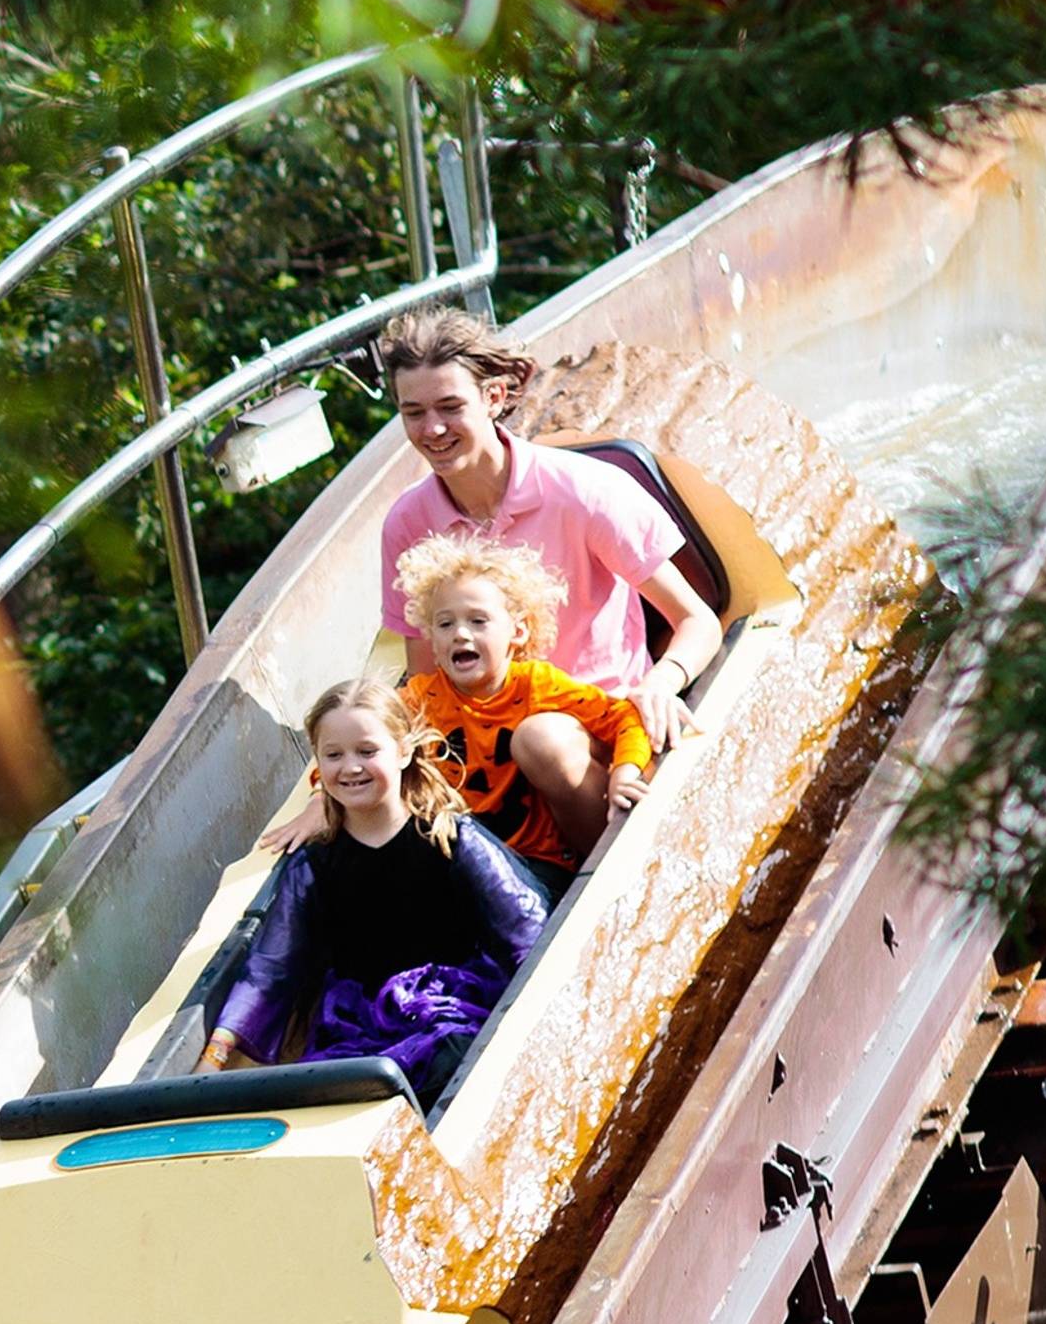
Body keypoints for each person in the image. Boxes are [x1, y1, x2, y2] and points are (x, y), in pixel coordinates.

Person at [372, 308, 722, 747]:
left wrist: (660, 683)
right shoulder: (407, 523)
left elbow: (698, 620)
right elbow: (425, 681)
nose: (433, 429)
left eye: (450, 407)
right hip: (485, 741)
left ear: (494, 397)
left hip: (595, 721)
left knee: (540, 740)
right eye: (414, 413)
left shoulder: (585, 491)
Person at [199, 679, 552, 1105]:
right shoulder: (313, 867)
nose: (350, 767)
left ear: (403, 751)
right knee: (333, 1088)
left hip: (451, 1010)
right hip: (359, 1027)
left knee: (449, 1059)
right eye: (334, 755)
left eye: (367, 751)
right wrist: (216, 1053)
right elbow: (271, 969)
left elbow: (525, 929)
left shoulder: (451, 839)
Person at [397, 531, 649, 878]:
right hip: (469, 861)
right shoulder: (419, 700)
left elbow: (624, 718)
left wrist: (625, 772)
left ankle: (609, 869)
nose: (460, 633)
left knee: (537, 737)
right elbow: (358, 737)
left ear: (517, 631)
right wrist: (320, 798)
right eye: (445, 624)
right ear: (434, 642)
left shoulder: (535, 684)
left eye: (477, 621)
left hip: (542, 860)